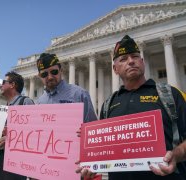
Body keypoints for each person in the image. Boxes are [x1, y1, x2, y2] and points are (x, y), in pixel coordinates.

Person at [77, 35, 186, 180]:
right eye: (123, 59)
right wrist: (92, 161)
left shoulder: (172, 95)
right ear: (115, 69)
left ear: (142, 62)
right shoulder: (108, 105)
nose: (131, 61)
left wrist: (176, 155)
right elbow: (105, 151)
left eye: (135, 56)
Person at [0, 71, 34, 180]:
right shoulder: (3, 108)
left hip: (16, 161)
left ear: (12, 85)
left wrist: (11, 138)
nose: (1, 85)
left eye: (4, 82)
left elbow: (33, 132)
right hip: (0, 157)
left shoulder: (25, 102)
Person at [36, 52, 97, 123]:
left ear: (61, 71)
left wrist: (84, 130)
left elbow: (92, 127)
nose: (50, 77)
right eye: (44, 74)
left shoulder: (79, 94)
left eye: (54, 71)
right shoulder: (39, 102)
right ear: (40, 76)